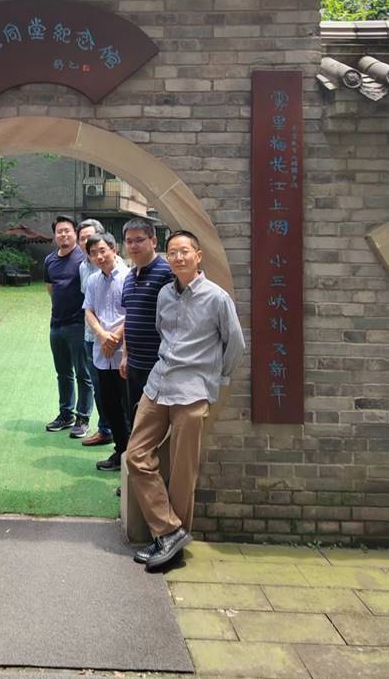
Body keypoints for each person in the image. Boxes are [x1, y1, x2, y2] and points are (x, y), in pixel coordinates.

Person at [127, 231, 245, 572]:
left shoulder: (217, 298)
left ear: (198, 255)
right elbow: (162, 333)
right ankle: (169, 531)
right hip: (158, 385)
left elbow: (235, 345)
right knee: (136, 455)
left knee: (182, 472)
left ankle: (170, 545)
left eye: (184, 252)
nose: (178, 258)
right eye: (172, 252)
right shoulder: (165, 293)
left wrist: (214, 380)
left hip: (192, 392)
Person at [83, 232, 130, 472]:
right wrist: (102, 335)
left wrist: (116, 337)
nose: (99, 257)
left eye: (103, 251)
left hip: (125, 352)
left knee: (129, 406)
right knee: (109, 405)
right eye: (93, 253)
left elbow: (133, 311)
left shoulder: (129, 277)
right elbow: (89, 310)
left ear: (114, 249)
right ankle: (120, 451)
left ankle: (133, 457)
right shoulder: (93, 280)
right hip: (102, 350)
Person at [120, 217, 173, 423]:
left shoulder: (167, 274)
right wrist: (125, 355)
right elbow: (129, 318)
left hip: (158, 365)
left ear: (153, 241)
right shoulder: (129, 277)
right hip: (134, 364)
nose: (133, 245)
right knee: (134, 418)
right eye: (129, 241)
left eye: (139, 240)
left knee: (154, 423)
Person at [43, 215, 93, 438]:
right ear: (55, 235)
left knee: (83, 374)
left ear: (75, 234)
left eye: (67, 231)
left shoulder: (84, 258)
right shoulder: (50, 260)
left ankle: (83, 417)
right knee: (63, 373)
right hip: (56, 324)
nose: (63, 234)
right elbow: (51, 288)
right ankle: (66, 414)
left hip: (78, 325)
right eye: (59, 231)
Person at [76, 218, 113, 448]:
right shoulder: (83, 267)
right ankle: (105, 429)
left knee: (115, 389)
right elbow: (88, 305)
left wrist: (108, 335)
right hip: (91, 337)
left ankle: (121, 434)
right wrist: (96, 332)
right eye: (82, 239)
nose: (86, 242)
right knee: (98, 386)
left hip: (115, 339)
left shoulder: (118, 268)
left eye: (90, 237)